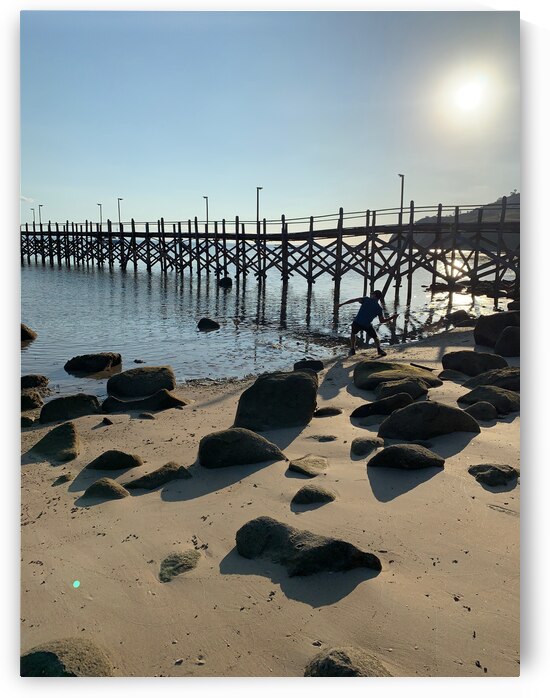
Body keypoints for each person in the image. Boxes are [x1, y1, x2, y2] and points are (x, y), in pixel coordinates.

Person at [338, 290, 397, 357]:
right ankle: (379, 350)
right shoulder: (379, 308)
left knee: (353, 333)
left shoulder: (366, 299)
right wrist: (392, 317)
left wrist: (342, 304)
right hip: (367, 325)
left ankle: (352, 349)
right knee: (375, 337)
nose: (371, 294)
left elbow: (354, 300)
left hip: (357, 322)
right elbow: (382, 321)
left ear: (374, 295)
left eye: (372, 293)